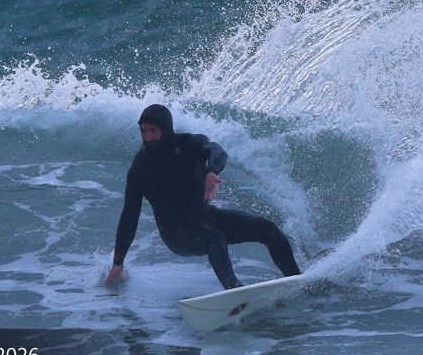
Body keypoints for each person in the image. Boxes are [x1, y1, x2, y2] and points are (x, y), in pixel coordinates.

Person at [104, 104, 301, 289]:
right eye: (143, 131)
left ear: (166, 129)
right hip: (174, 231)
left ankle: (297, 280)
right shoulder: (141, 168)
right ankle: (235, 292)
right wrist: (118, 262)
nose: (148, 138)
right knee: (214, 238)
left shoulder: (189, 144)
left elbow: (218, 151)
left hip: (206, 215)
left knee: (267, 229)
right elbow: (130, 216)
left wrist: (212, 170)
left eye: (153, 130)